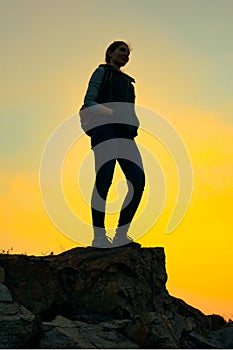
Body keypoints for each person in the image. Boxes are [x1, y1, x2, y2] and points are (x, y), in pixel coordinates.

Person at [81, 41, 145, 248]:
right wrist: (111, 112)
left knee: (138, 180)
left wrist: (134, 123)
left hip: (125, 135)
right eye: (122, 50)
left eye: (128, 53)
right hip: (104, 130)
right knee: (104, 179)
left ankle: (120, 235)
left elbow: (130, 109)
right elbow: (88, 102)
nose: (126, 55)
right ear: (110, 53)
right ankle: (99, 236)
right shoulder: (102, 72)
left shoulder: (129, 83)